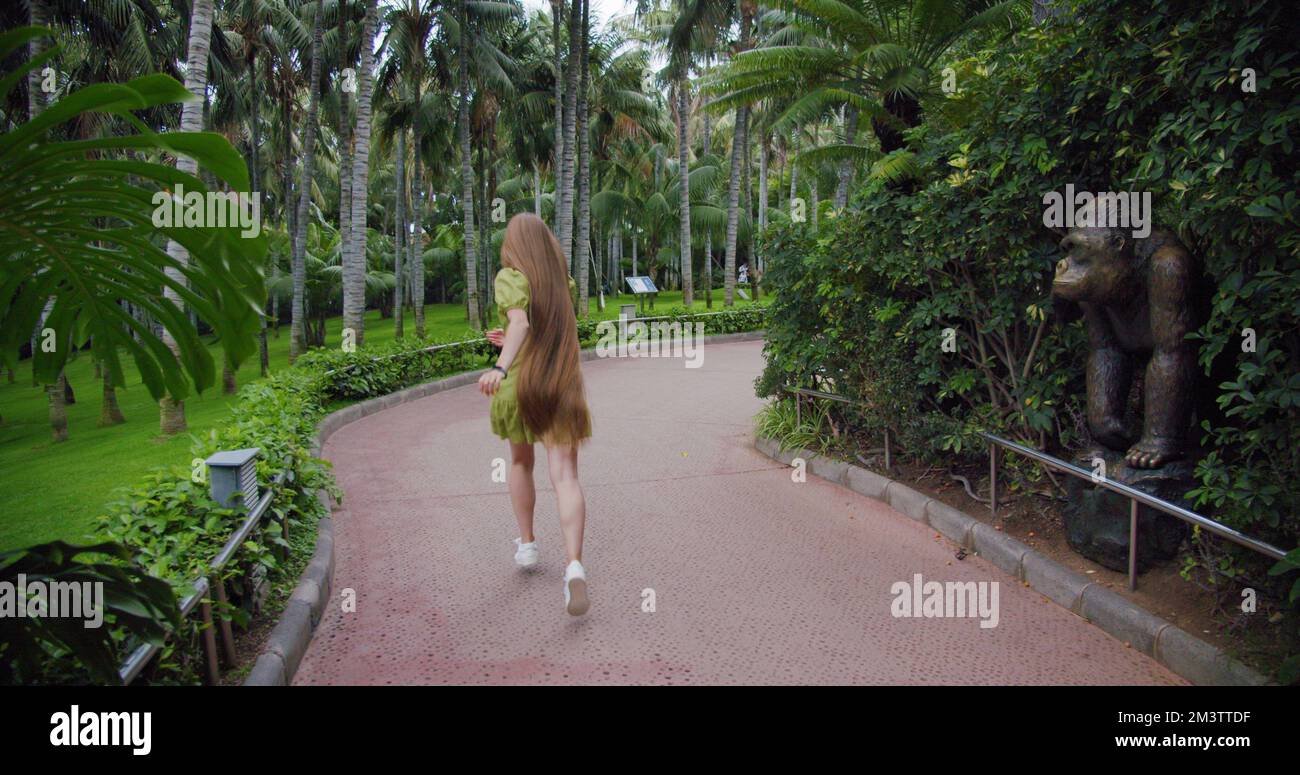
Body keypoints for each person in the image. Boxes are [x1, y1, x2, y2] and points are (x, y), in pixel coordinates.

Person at [478, 213, 593, 616]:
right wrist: (506, 339)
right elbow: (544, 330)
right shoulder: (564, 284)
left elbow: (522, 322)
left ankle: (527, 544)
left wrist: (500, 364)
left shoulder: (510, 277)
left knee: (521, 462)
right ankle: (574, 565)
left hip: (522, 386)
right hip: (561, 384)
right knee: (565, 476)